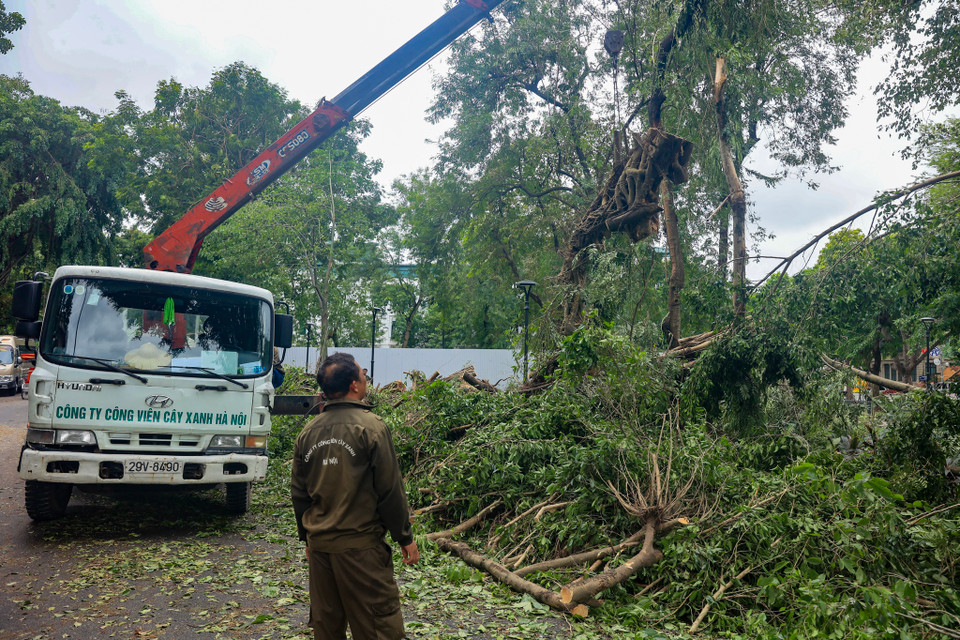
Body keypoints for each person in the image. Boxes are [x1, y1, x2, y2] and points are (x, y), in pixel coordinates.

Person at [291, 352, 419, 640]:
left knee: (327, 628)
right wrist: (405, 537)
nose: (366, 379)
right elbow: (390, 490)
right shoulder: (371, 427)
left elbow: (299, 494)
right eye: (364, 374)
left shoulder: (308, 432)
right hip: (361, 551)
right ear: (354, 385)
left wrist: (307, 538)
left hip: (321, 550)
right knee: (378, 628)